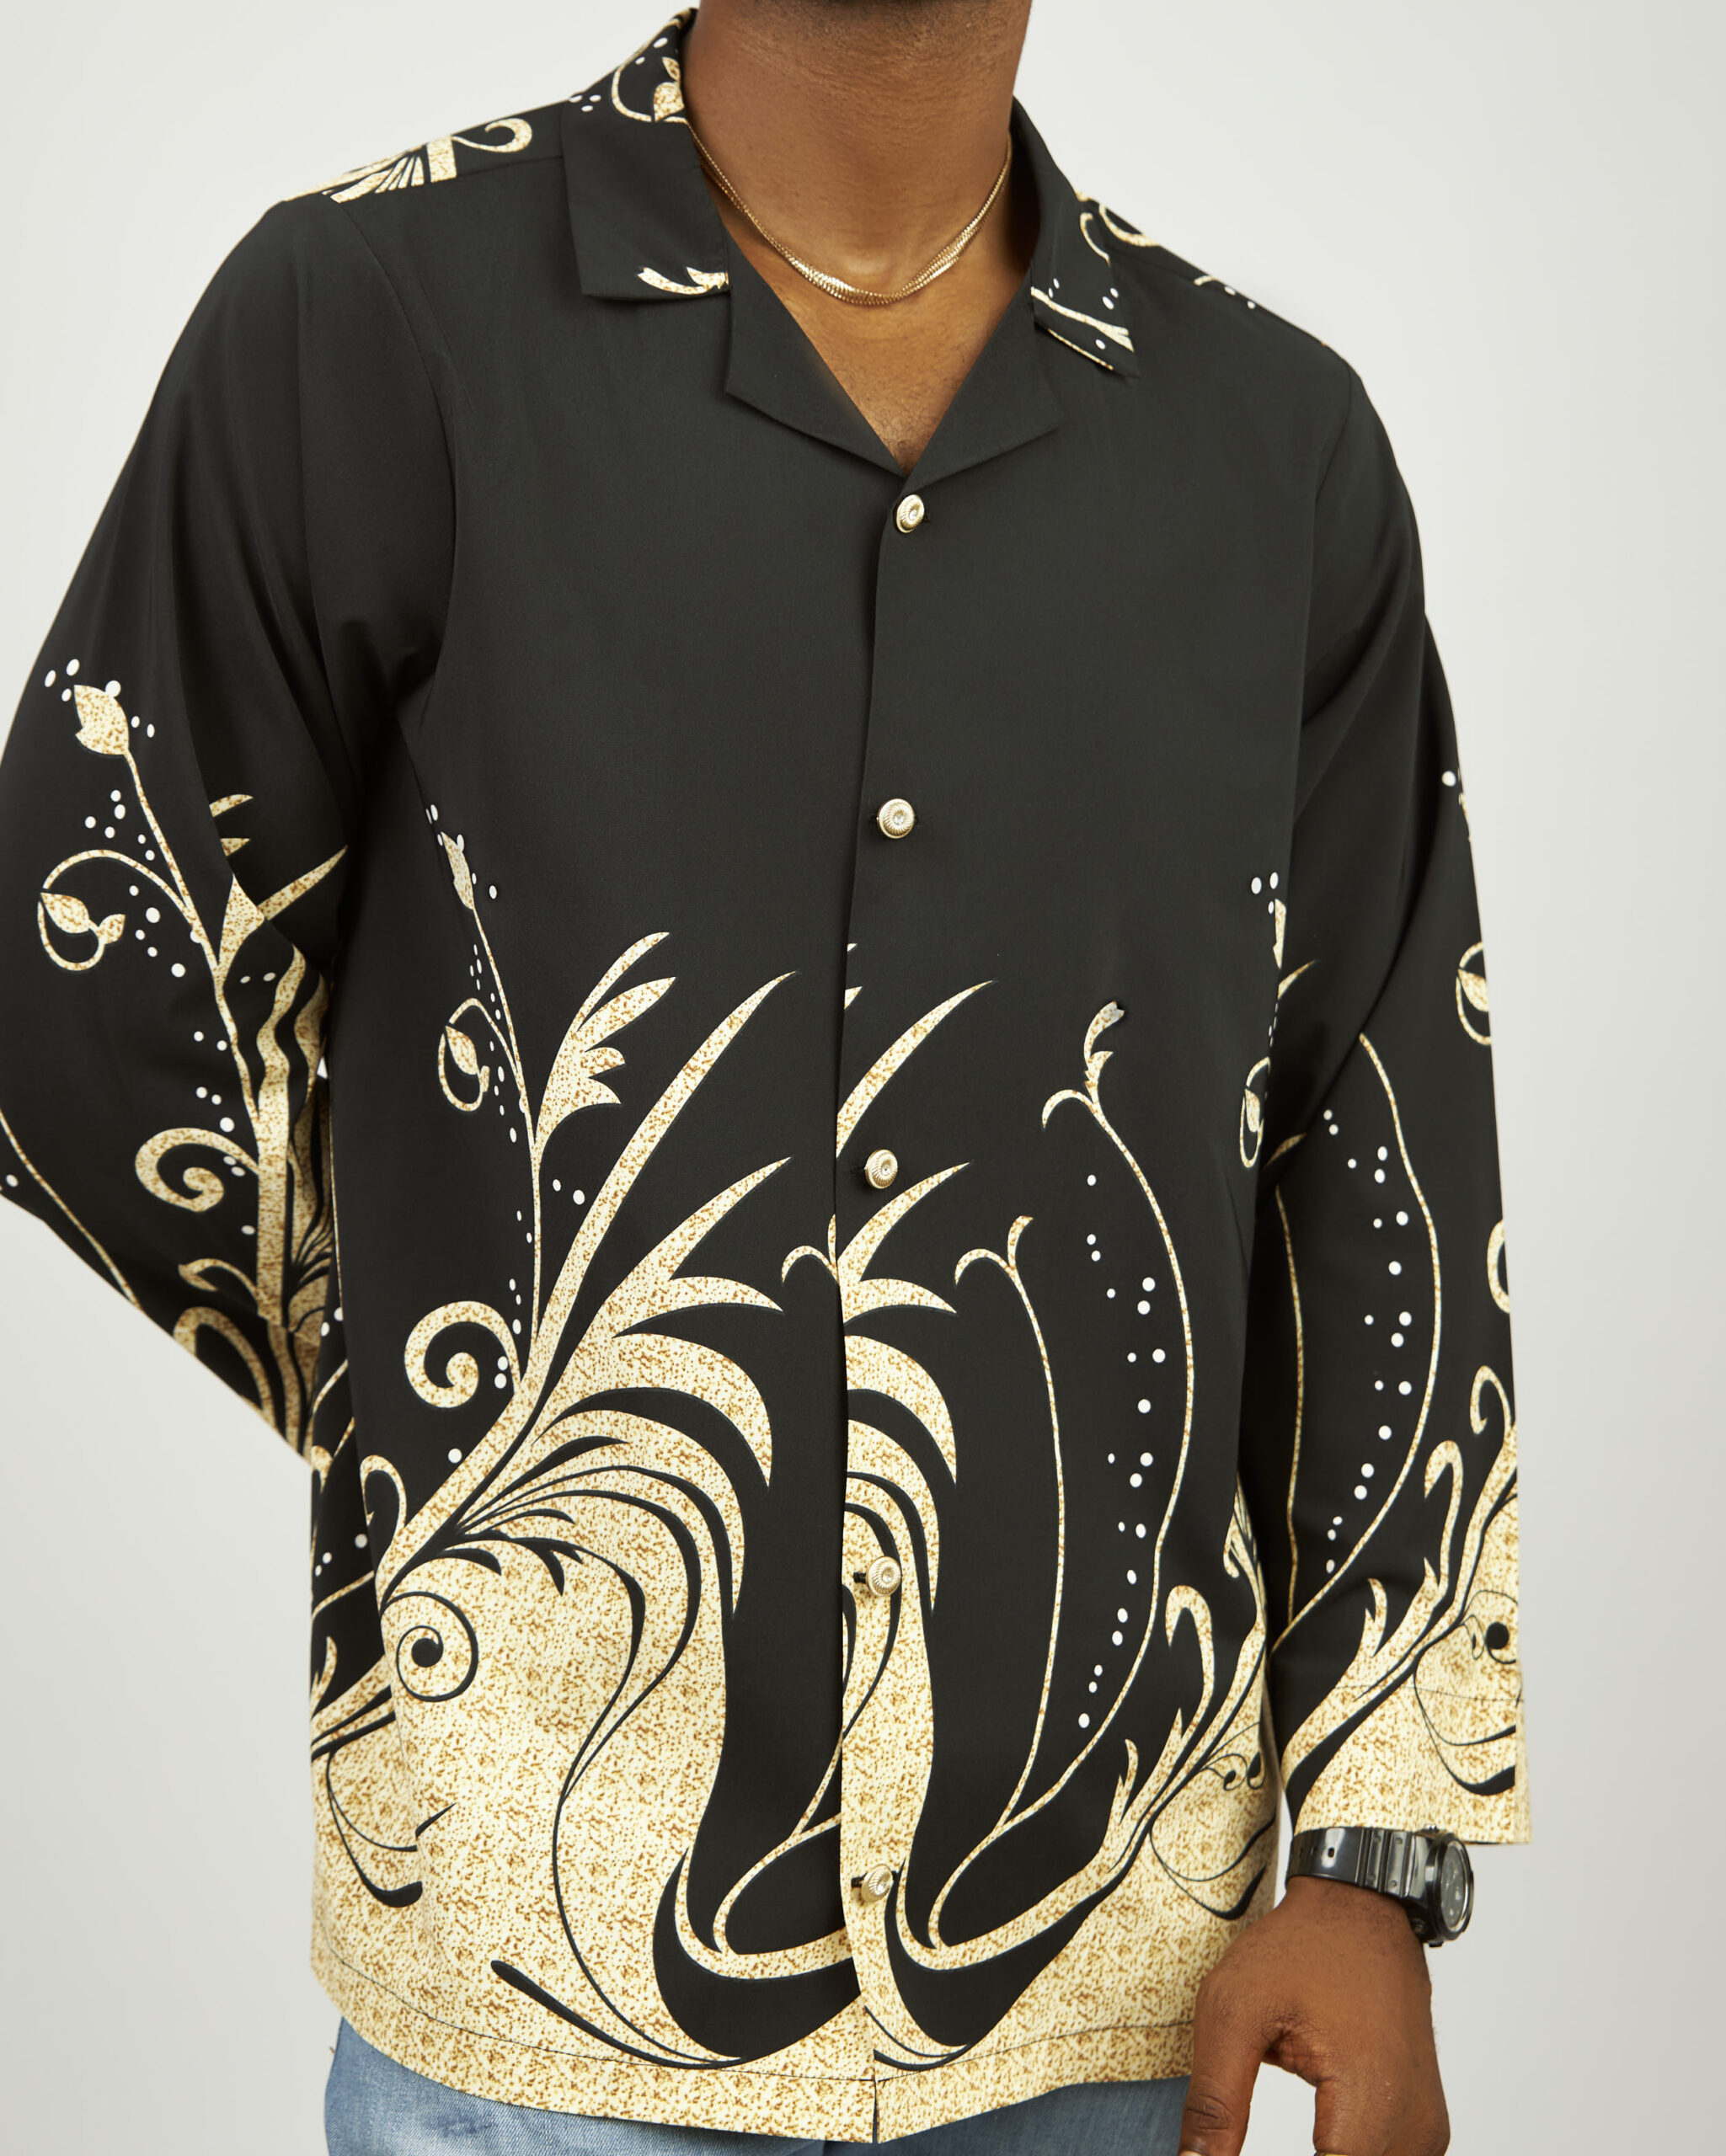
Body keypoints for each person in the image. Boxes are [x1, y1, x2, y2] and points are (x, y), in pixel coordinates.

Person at [0, 3, 1526, 2151]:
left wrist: (1375, 1859)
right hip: (528, 1992)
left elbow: (1380, 1156)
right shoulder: (370, 318)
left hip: (1100, 1988)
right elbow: (91, 961)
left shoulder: (1274, 448)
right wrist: (487, 1418)